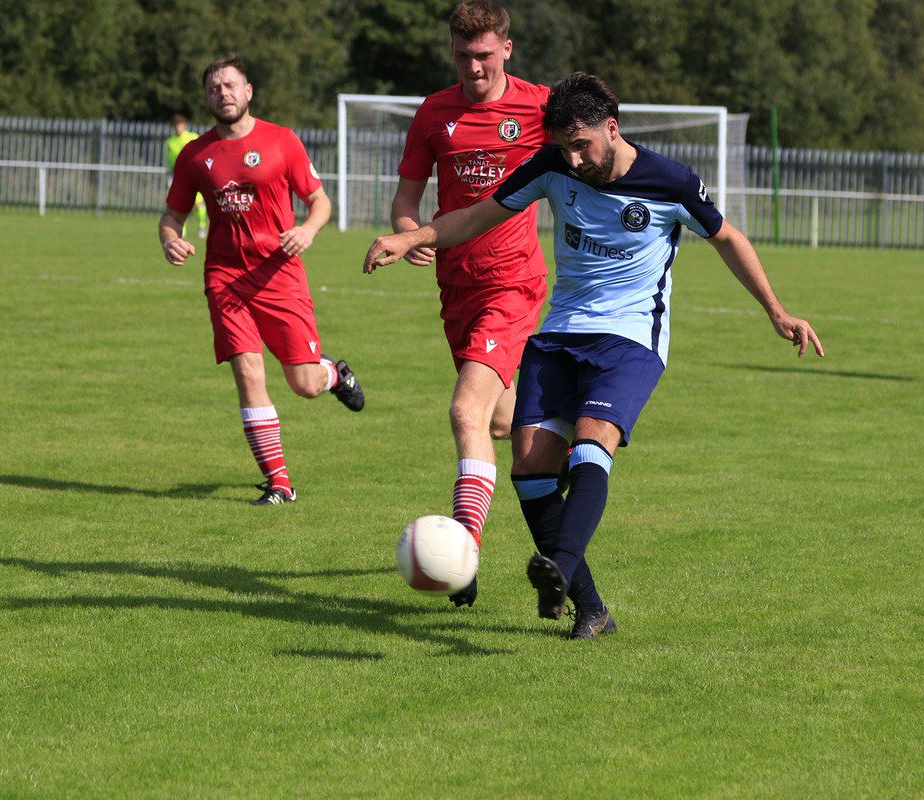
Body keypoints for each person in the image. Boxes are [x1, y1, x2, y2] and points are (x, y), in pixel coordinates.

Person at [365, 72, 824, 639]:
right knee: (531, 467)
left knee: (590, 444)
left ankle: (559, 563)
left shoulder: (669, 181)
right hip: (560, 333)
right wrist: (411, 238)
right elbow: (478, 216)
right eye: (564, 146)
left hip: (630, 339)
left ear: (612, 128)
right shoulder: (552, 165)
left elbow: (729, 238)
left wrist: (776, 311)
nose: (574, 158)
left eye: (582, 144)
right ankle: (591, 608)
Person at [380, 0, 551, 607]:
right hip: (457, 286)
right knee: (500, 422)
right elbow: (407, 197)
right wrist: (410, 234)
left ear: (507, 48)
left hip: (513, 284)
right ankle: (551, 489)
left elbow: (594, 159)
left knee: (462, 412)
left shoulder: (539, 106)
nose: (473, 67)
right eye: (462, 55)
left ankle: (463, 548)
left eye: (483, 55)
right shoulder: (433, 112)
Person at [159, 55, 365, 506]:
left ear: (248, 91)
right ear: (206, 97)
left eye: (230, 85)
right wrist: (170, 239)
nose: (223, 94)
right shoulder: (196, 154)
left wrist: (307, 230)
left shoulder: (281, 141)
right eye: (214, 88)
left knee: (304, 385)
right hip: (225, 278)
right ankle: (279, 483)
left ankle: (333, 372)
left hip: (280, 276)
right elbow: (172, 214)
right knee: (248, 373)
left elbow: (319, 201)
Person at [164, 114, 208, 238]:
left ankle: (202, 226)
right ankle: (181, 230)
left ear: (184, 125)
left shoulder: (192, 137)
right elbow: (169, 161)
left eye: (180, 125)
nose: (178, 128)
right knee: (179, 204)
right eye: (176, 125)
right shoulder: (169, 142)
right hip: (178, 177)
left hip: (194, 175)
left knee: (198, 204)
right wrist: (169, 178)